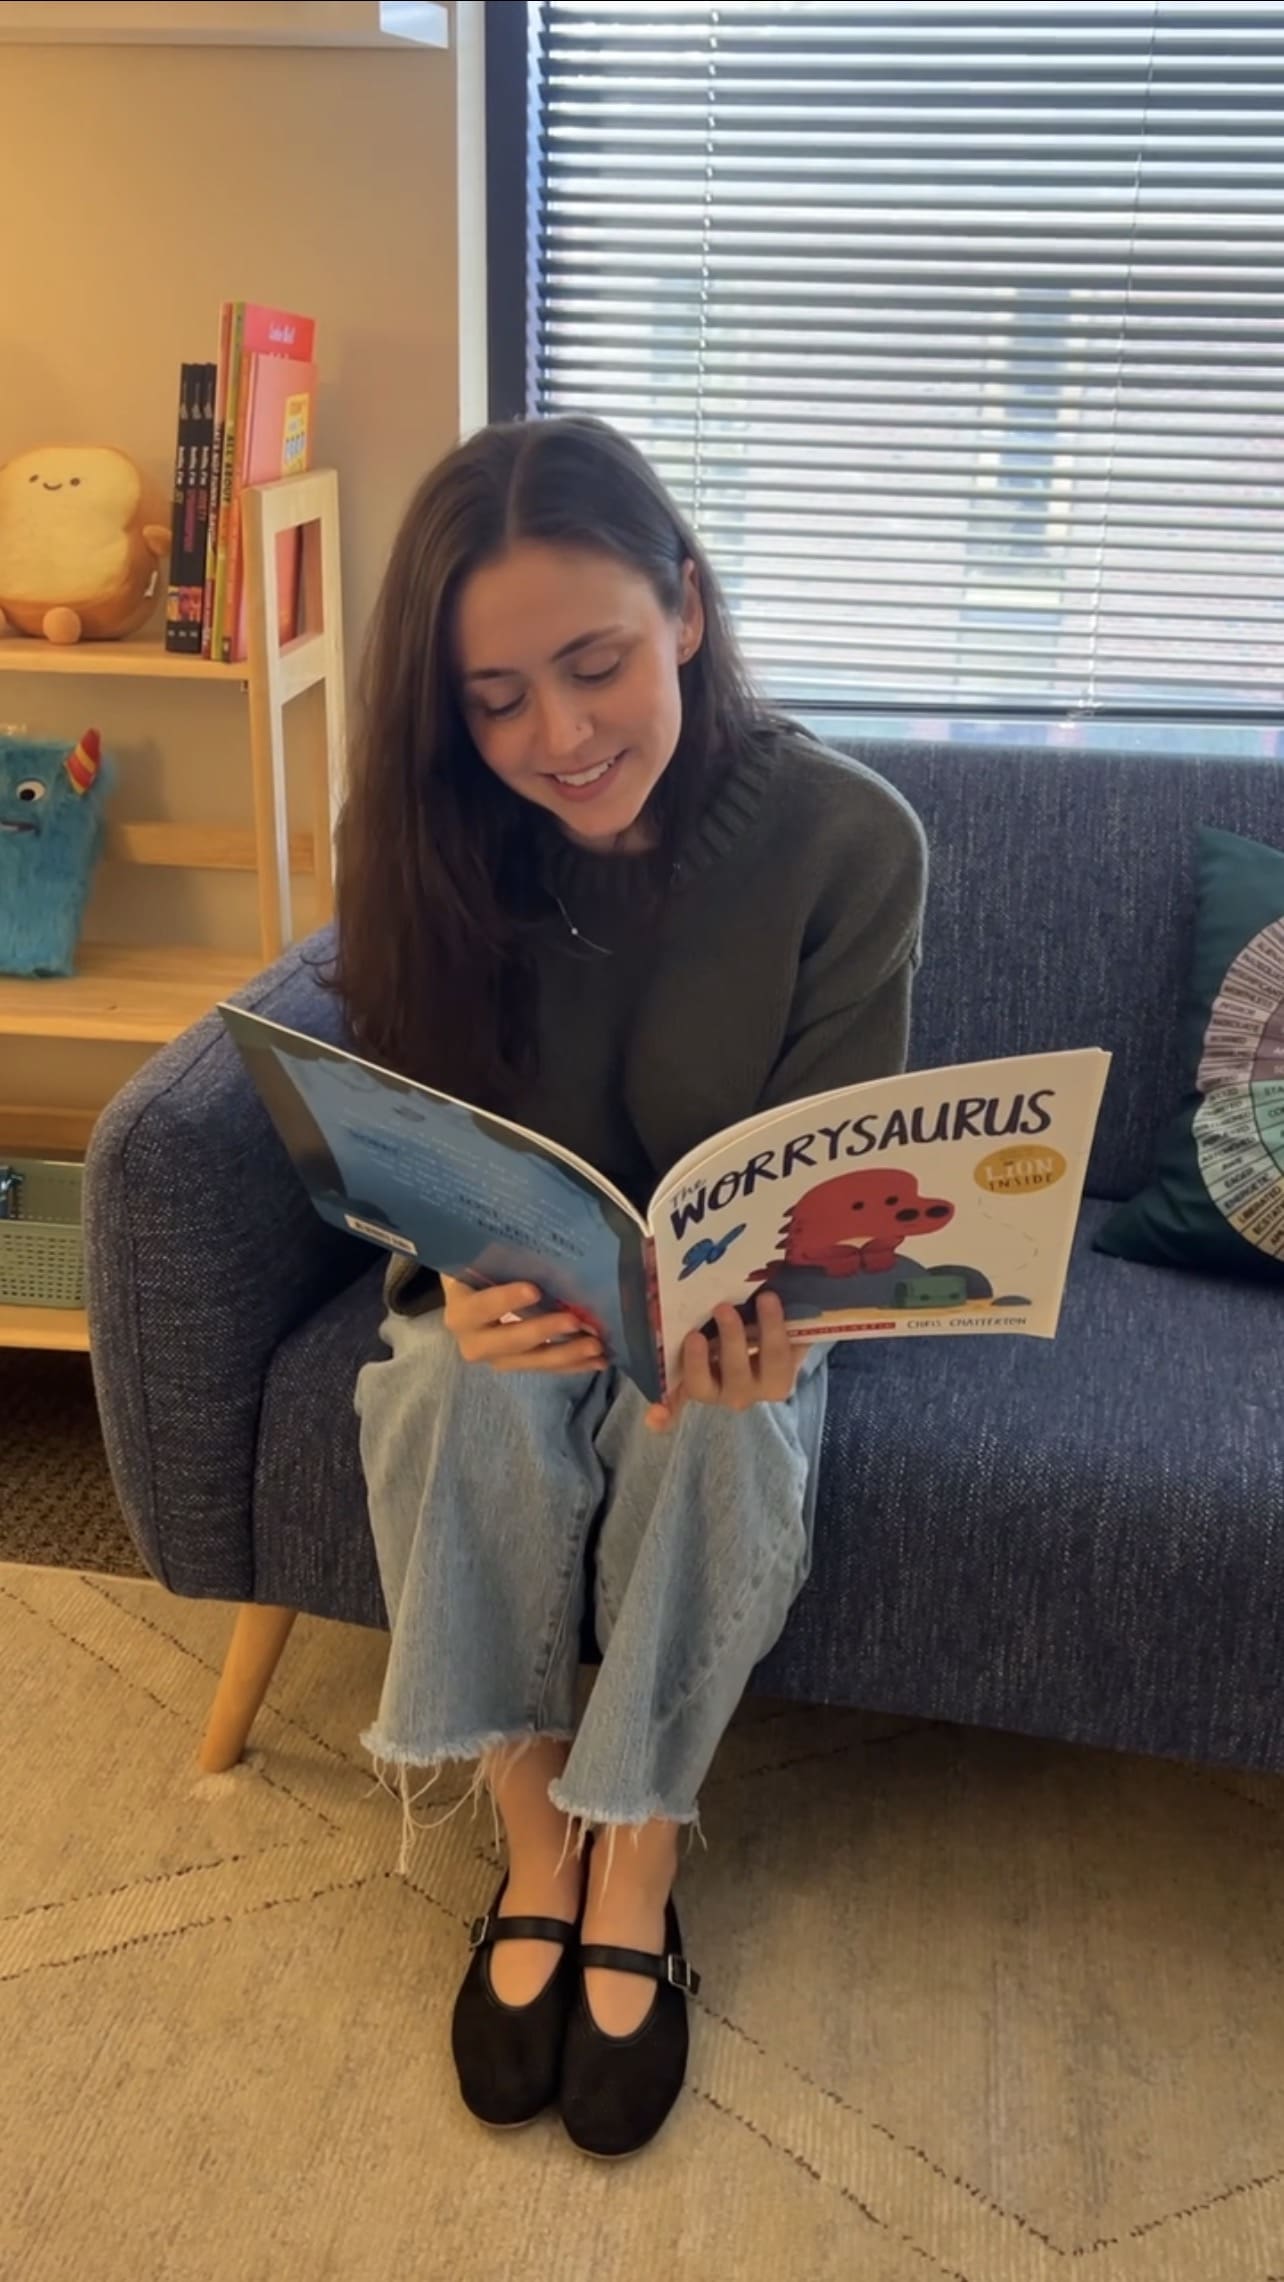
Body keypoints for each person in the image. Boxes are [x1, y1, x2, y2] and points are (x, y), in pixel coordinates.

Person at [329, 415, 926, 2159]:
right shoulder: (427, 828)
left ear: (683, 604)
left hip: (735, 1322)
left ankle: (638, 1842)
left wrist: (773, 1320)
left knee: (722, 1432)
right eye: (496, 699)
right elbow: (400, 1134)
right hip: (513, 1294)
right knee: (457, 1383)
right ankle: (535, 1837)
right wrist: (448, 1271)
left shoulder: (847, 841)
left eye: (593, 666)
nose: (559, 738)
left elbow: (842, 1192)